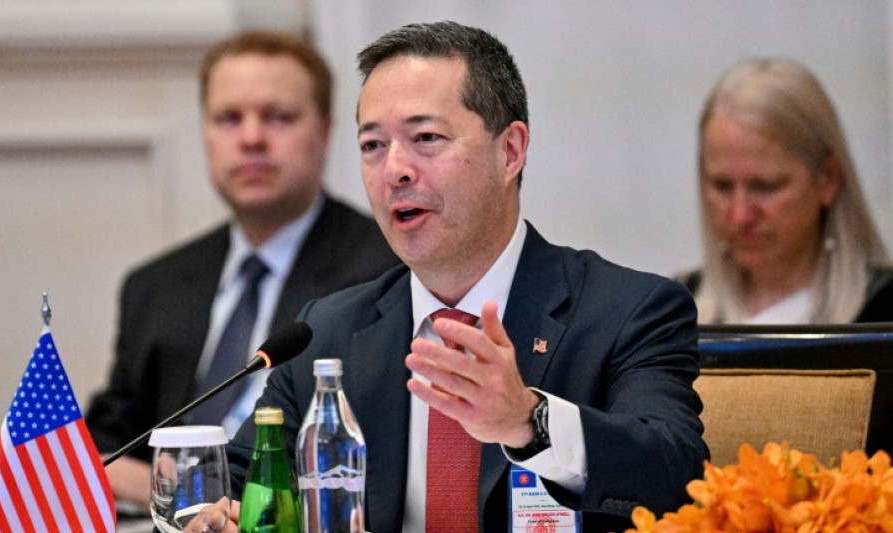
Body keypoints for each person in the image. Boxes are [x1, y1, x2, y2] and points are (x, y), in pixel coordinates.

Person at [189, 21, 707, 533]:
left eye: (426, 137)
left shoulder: (629, 310)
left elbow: (676, 473)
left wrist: (528, 420)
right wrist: (219, 515)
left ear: (510, 151)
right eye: (373, 145)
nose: (395, 170)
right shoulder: (328, 331)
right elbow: (242, 479)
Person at [84, 30, 400, 507]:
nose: (252, 139)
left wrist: (169, 489)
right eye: (229, 118)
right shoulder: (155, 285)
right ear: (205, 134)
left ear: (325, 133)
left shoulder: (385, 272)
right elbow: (107, 442)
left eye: (279, 117)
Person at [677, 57, 893, 324]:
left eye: (764, 187)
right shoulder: (670, 313)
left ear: (828, 179)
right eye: (722, 186)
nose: (740, 215)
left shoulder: (882, 312)